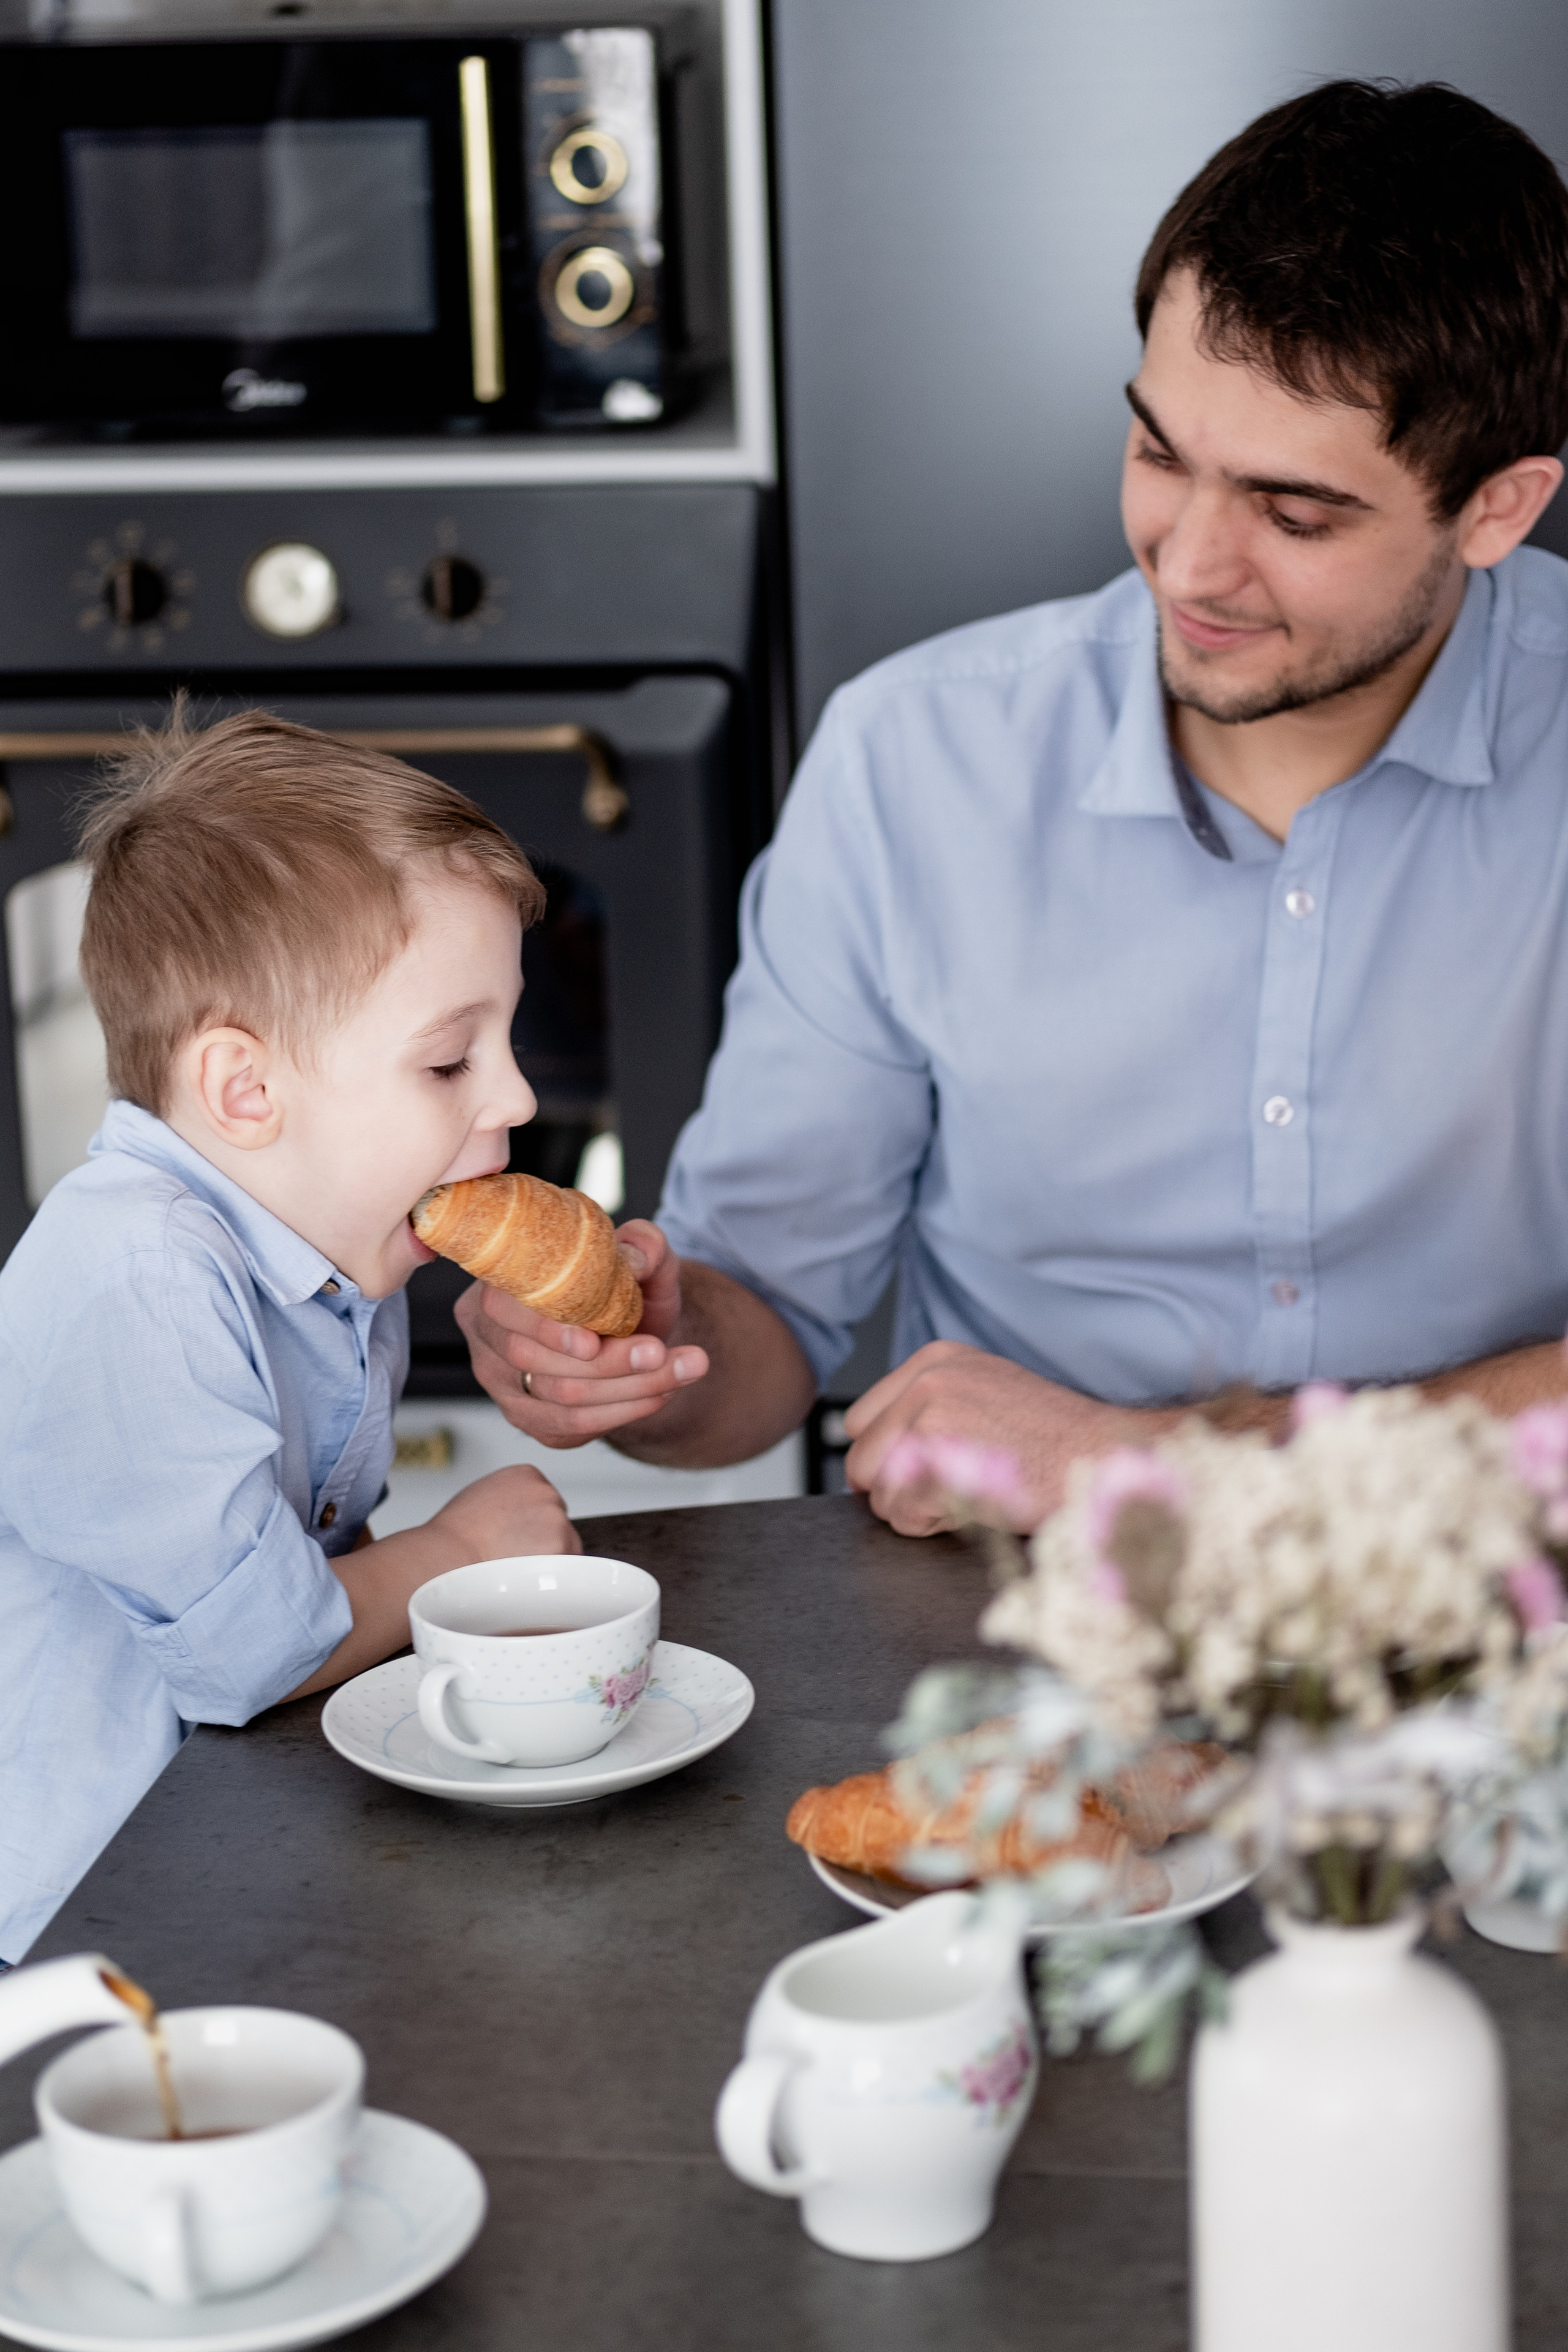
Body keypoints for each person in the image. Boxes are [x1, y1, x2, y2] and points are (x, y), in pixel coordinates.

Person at [457, 78, 1568, 1536]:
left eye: (1292, 516)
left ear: (1497, 508)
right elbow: (763, 1326)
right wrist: (633, 1360)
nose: (1190, 565)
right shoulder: (912, 762)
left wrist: (1169, 1470)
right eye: (1161, 454)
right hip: (1014, 1652)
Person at [0, 710, 577, 1960]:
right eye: (448, 1063)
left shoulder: (325, 1253)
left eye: (507, 1040)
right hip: (76, 1927)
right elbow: (250, 1649)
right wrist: (454, 1554)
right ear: (245, 1091)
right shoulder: (138, 1274)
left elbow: (318, 1550)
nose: (519, 1097)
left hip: (222, 1857)